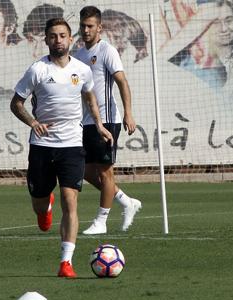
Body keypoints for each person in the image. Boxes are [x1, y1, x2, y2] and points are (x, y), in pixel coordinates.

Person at [10, 18, 113, 277]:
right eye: (53, 36)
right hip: (43, 146)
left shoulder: (82, 69)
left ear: (70, 39)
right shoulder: (37, 70)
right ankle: (44, 207)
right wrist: (33, 122)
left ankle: (66, 262)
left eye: (63, 36)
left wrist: (99, 125)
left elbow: (89, 95)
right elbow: (16, 104)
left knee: (71, 202)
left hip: (71, 145)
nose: (58, 40)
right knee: (39, 201)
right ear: (46, 40)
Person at [74, 6, 142, 235]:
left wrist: (128, 113)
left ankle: (101, 221)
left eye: (90, 26)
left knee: (105, 172)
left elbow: (122, 82)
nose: (85, 30)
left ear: (99, 28)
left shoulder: (107, 51)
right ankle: (125, 201)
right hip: (86, 121)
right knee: (81, 170)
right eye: (83, 25)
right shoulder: (79, 55)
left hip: (108, 121)